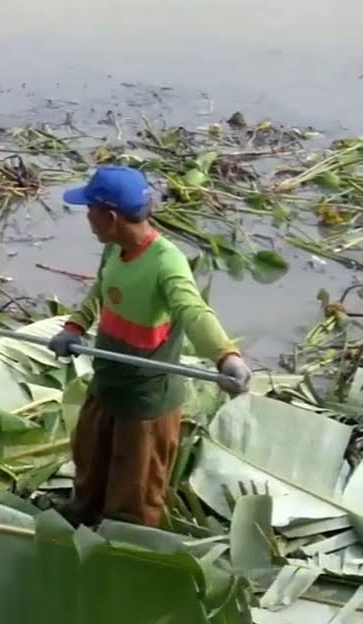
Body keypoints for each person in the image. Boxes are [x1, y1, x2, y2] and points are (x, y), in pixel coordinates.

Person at [47, 165, 253, 529]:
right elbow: (101, 290)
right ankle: (81, 516)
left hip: (145, 401)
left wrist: (227, 356)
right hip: (108, 382)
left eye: (90, 211)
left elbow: (193, 310)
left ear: (110, 217)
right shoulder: (113, 248)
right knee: (90, 460)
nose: (87, 220)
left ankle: (125, 550)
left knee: (135, 490)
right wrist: (74, 327)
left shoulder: (165, 262)